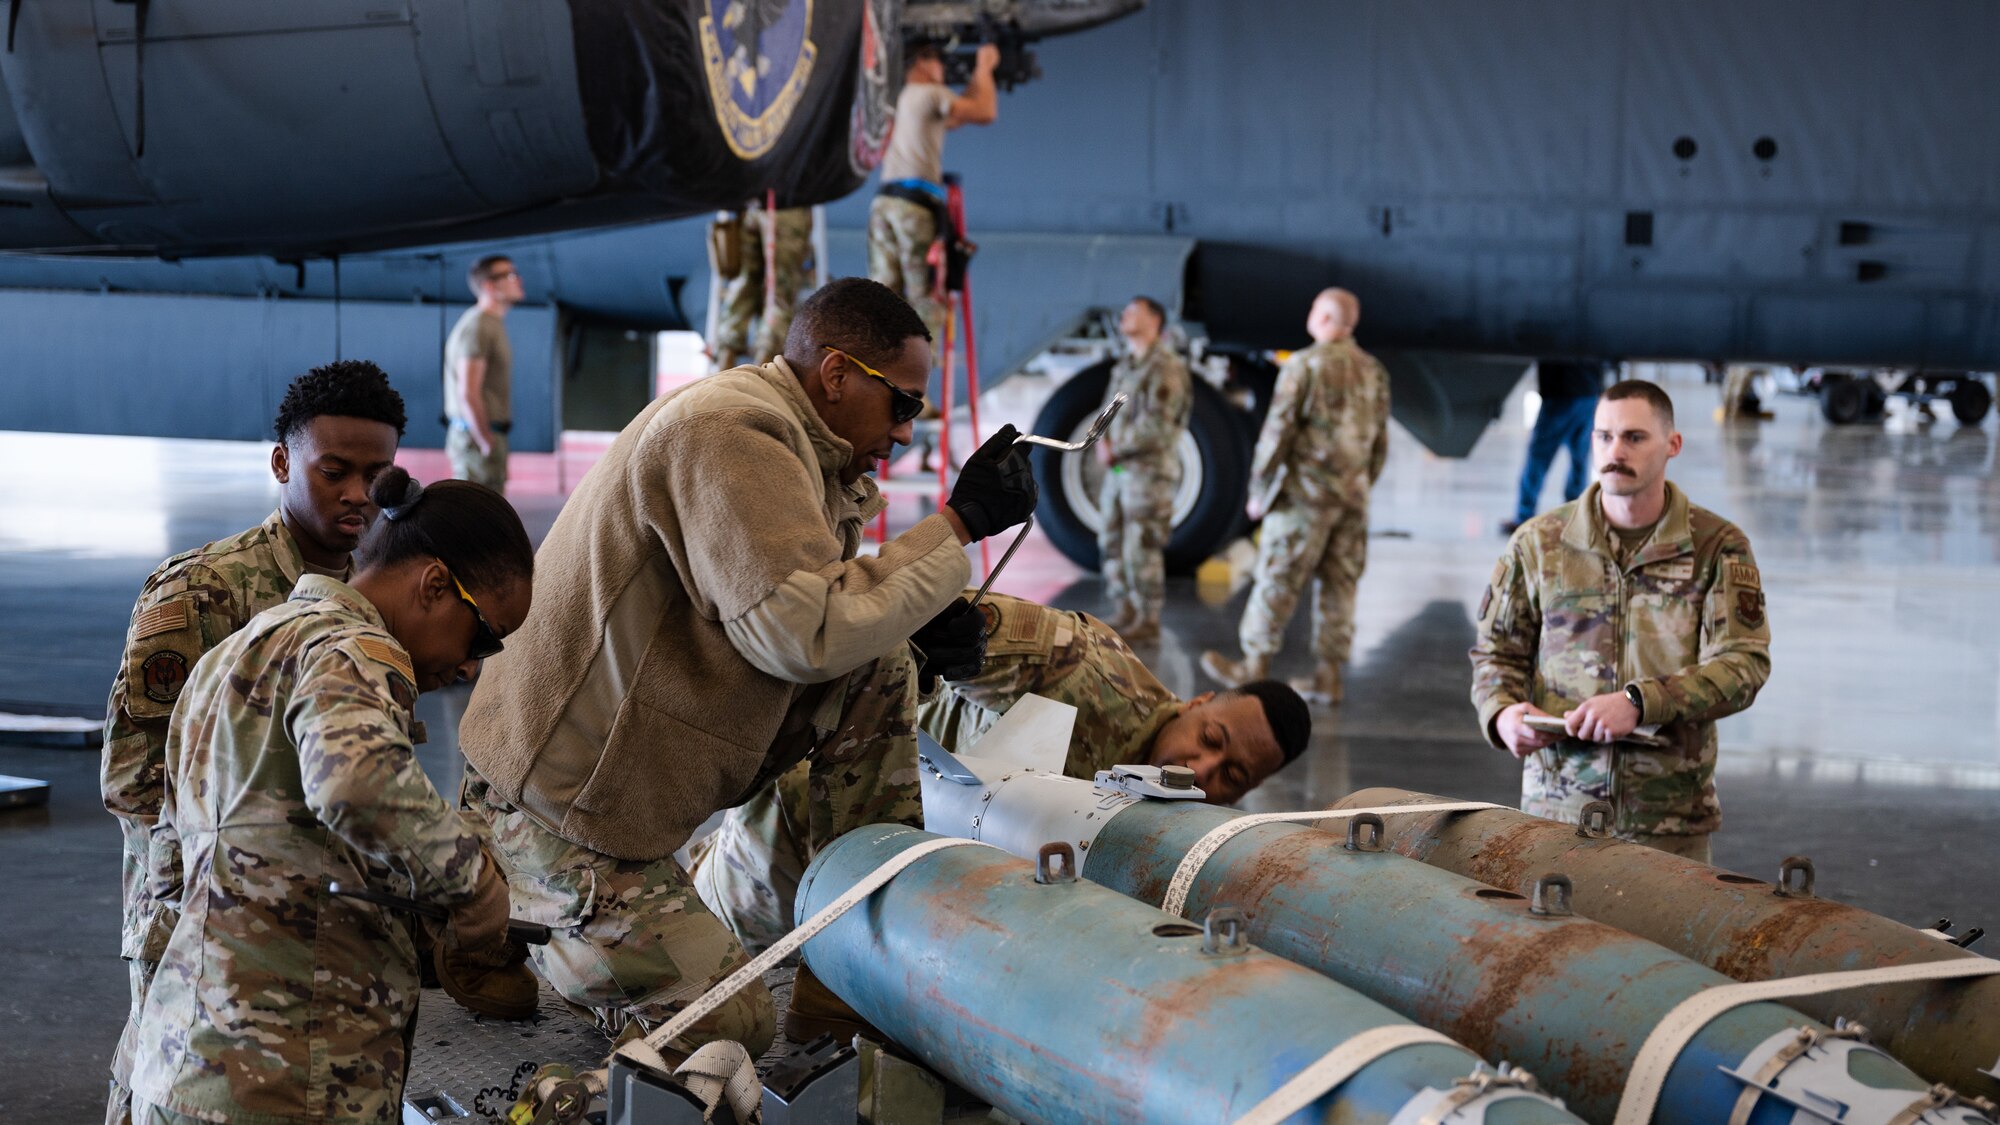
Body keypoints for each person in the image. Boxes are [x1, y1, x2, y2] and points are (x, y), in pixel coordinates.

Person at [454, 278, 1037, 1057]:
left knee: (881, 664)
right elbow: (804, 633)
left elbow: (810, 616)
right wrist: (957, 525)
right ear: (835, 374)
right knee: (724, 1029)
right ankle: (498, 904)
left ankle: (843, 970)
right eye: (903, 403)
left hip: (618, 795)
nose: (905, 433)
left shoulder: (793, 444)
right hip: (553, 815)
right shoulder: (730, 432)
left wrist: (917, 625)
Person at [127, 468, 535, 1125]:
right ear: (434, 584)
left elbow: (223, 860)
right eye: (484, 635)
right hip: (286, 1082)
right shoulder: (353, 650)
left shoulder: (238, 653)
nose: (469, 666)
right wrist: (475, 888)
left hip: (184, 1062)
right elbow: (354, 782)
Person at [100, 361, 406, 1125]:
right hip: (197, 904)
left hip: (317, 912)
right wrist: (215, 888)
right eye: (334, 471)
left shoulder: (379, 599)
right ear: (282, 462)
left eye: (378, 475)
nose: (358, 494)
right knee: (177, 1086)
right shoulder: (202, 593)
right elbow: (133, 779)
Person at [691, 591, 1311, 955]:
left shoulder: (1176, 818)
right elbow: (938, 617)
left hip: (901, 889)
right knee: (709, 976)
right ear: (1200, 703)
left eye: (1230, 775)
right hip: (796, 841)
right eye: (1210, 739)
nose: (1199, 768)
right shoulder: (1081, 671)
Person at [1468, 379, 1771, 863]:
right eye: (1603, 436)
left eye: (1634, 437)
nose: (1615, 451)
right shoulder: (1540, 543)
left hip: (1669, 821)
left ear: (1672, 445)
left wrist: (1640, 702)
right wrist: (1501, 713)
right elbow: (1496, 653)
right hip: (1555, 817)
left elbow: (1743, 664)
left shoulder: (1716, 546)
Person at [1202, 288, 1389, 706]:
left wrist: (1259, 492)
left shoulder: (1305, 366)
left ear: (1323, 318)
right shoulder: (1373, 371)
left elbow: (1277, 435)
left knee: (1279, 578)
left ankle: (1254, 666)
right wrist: (1359, 485)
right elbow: (1379, 443)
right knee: (1341, 585)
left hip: (1305, 498)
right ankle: (1328, 677)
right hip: (1352, 500)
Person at [867, 41, 999, 346]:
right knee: (925, 298)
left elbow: (957, 116)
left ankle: (880, 373)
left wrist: (976, 80)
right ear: (923, 64)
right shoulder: (929, 93)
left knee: (883, 296)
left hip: (884, 203)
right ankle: (917, 386)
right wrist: (985, 66)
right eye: (940, 62)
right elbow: (984, 111)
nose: (944, 71)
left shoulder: (901, 98)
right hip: (914, 206)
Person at [1097, 296, 1192, 641]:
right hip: (1121, 472)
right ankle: (1125, 608)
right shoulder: (1127, 365)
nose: (1124, 314)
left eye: (1132, 310)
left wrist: (1115, 447)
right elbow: (1109, 410)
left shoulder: (1165, 367)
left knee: (1143, 544)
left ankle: (1147, 617)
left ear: (1154, 320)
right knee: (1112, 537)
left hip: (1148, 473)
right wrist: (1101, 441)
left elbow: (1160, 426)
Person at [1502, 359, 1607, 535]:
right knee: (1580, 460)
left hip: (1561, 394)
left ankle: (1524, 516)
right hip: (1588, 392)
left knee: (1539, 457)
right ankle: (1576, 515)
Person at [444, 254, 522, 490]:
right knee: (474, 519)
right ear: (489, 286)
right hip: (476, 439)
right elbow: (467, 392)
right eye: (509, 275)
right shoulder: (478, 326)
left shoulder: (490, 324)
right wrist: (485, 441)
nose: (517, 279)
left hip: (485, 435)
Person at [713, 199, 815, 370]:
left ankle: (725, 358)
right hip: (786, 205)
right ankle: (761, 371)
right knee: (779, 291)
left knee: (745, 281)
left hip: (753, 205)